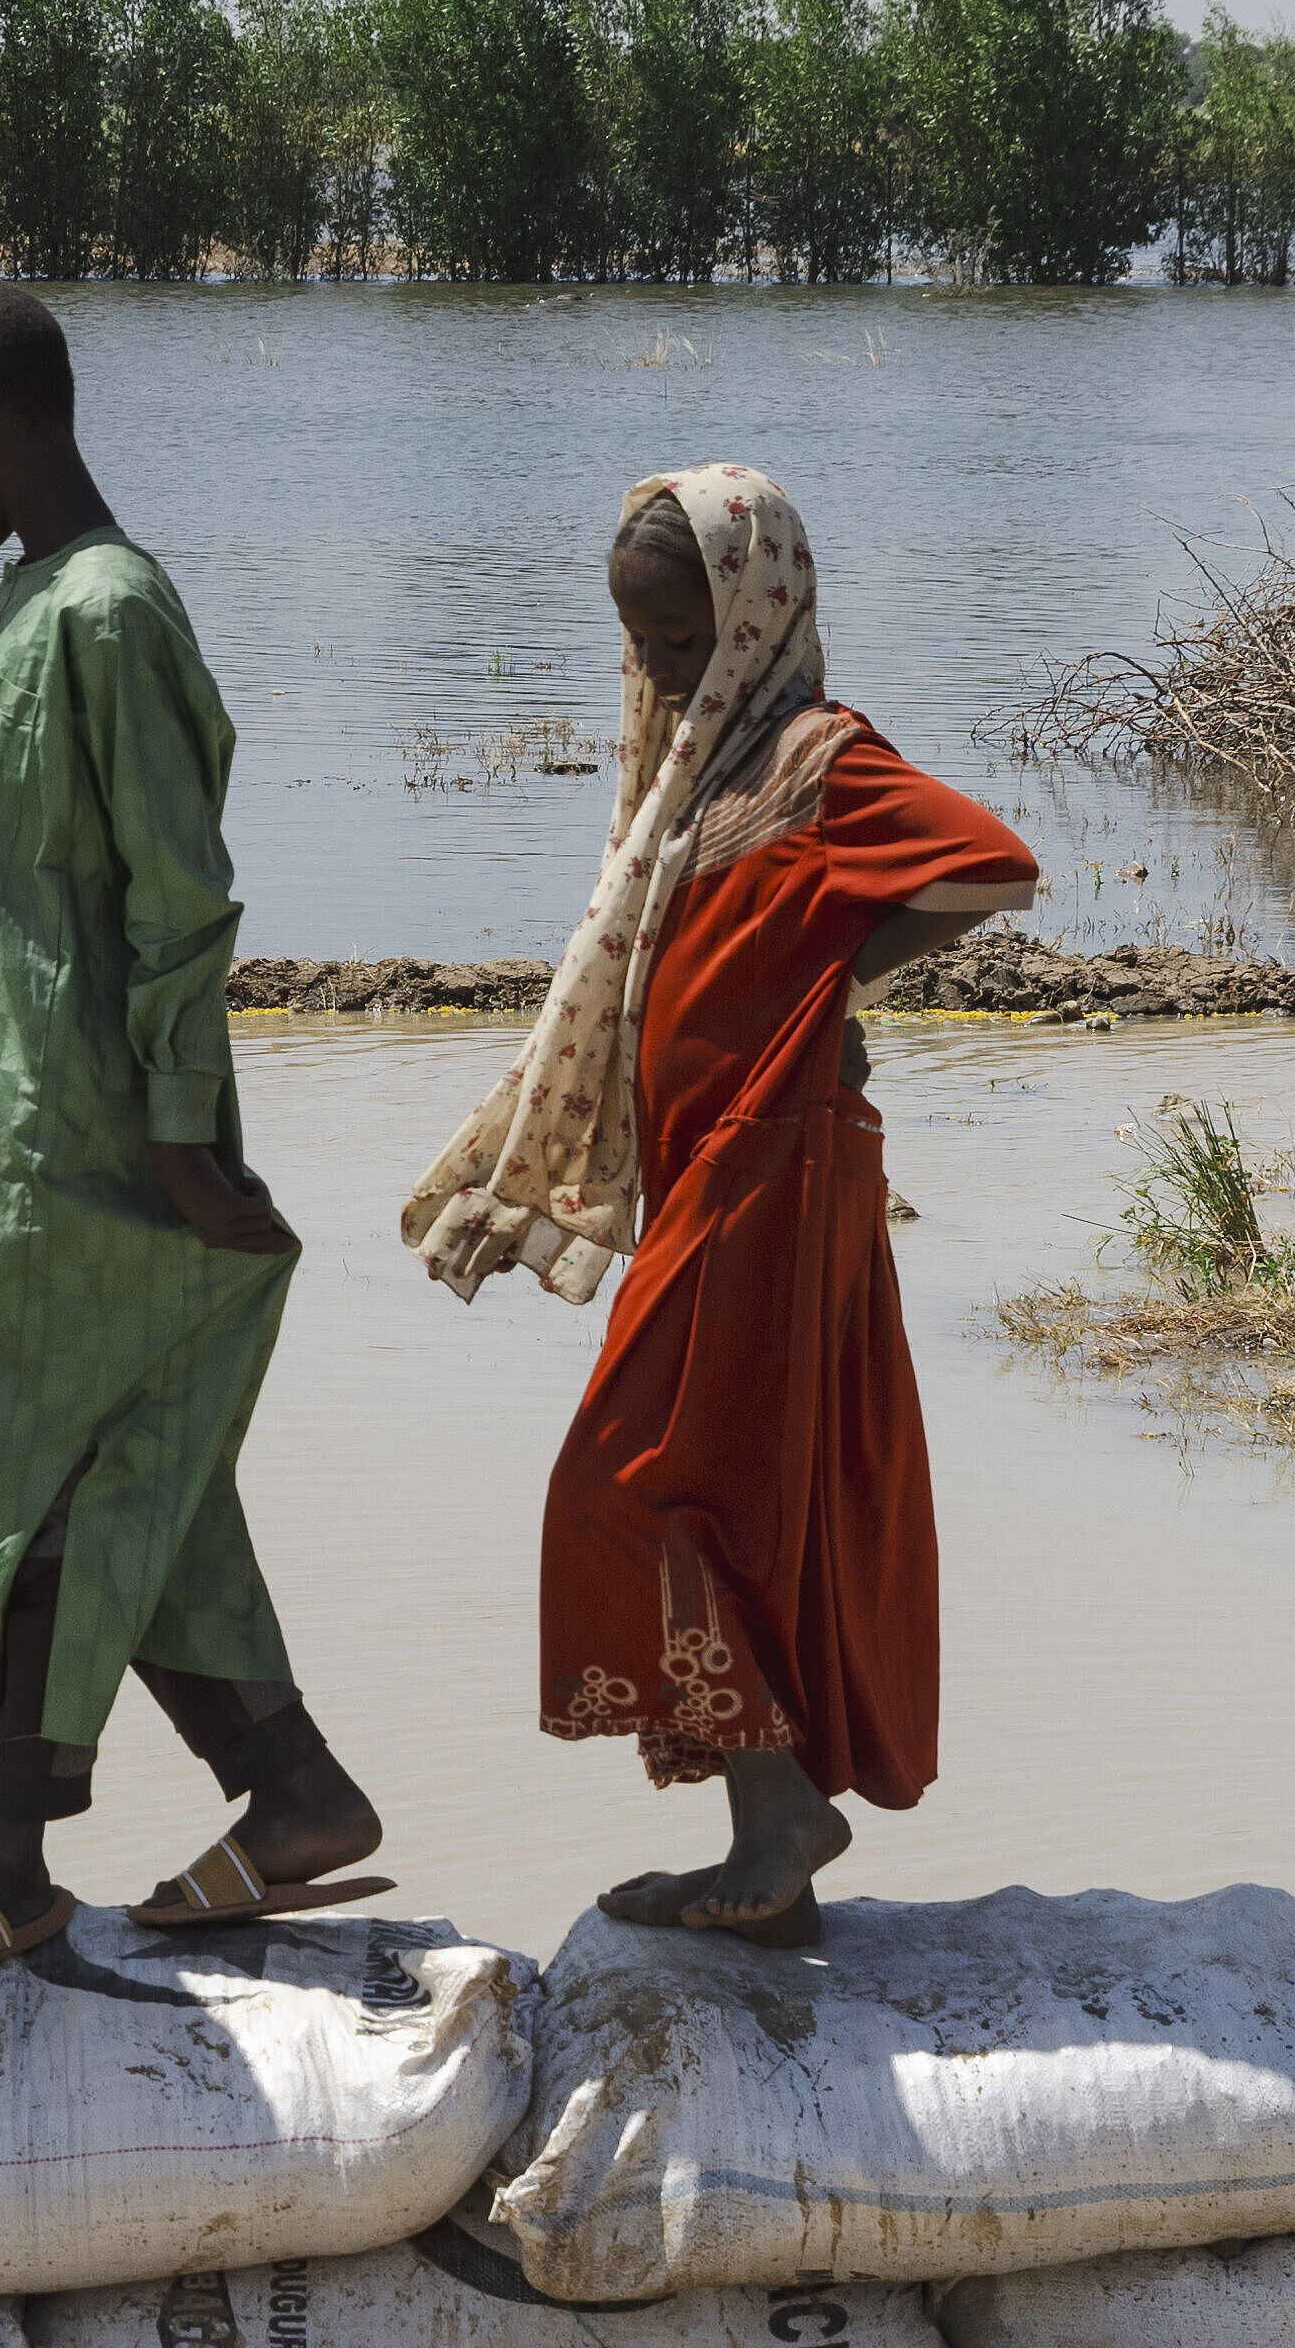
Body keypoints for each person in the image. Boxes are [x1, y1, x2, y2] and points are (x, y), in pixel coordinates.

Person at [0, 279, 394, 1986]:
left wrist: (185, 1138)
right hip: (2, 1124)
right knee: (132, 1469)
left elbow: (180, 902)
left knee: (51, 1467)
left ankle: (16, 1843)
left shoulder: (110, 613)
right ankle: (294, 1790)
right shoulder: (30, 600)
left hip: (107, 1142)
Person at [397, 467, 1043, 1948]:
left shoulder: (819, 755)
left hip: (775, 1164)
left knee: (619, 1478)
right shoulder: (695, 766)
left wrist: (829, 976)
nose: (665, 672)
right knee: (730, 1491)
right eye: (645, 645)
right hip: (717, 1165)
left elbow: (993, 867)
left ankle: (781, 1811)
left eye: (686, 640)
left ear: (759, 613)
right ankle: (771, 1840)